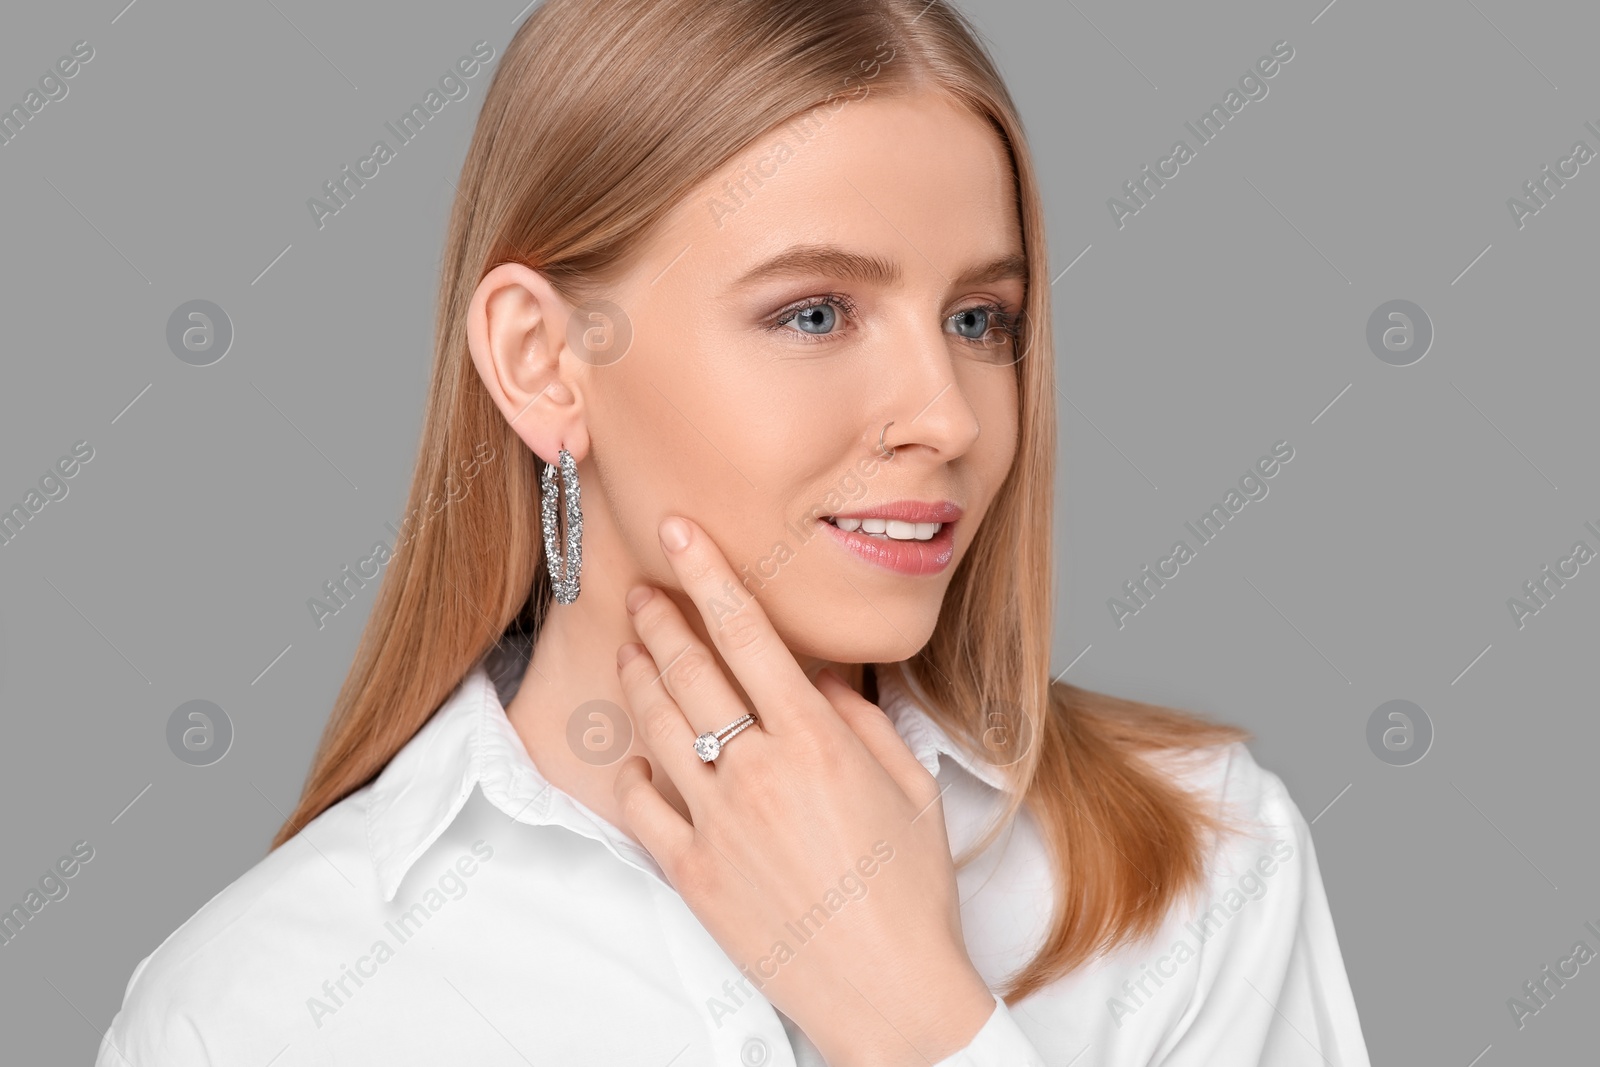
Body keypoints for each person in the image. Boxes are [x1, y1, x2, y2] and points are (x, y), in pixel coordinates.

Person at [96, 0, 1371, 1063]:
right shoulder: (257, 1007)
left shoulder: (1198, 864)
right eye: (815, 314)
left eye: (979, 319)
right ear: (545, 361)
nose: (948, 416)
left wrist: (918, 1016)